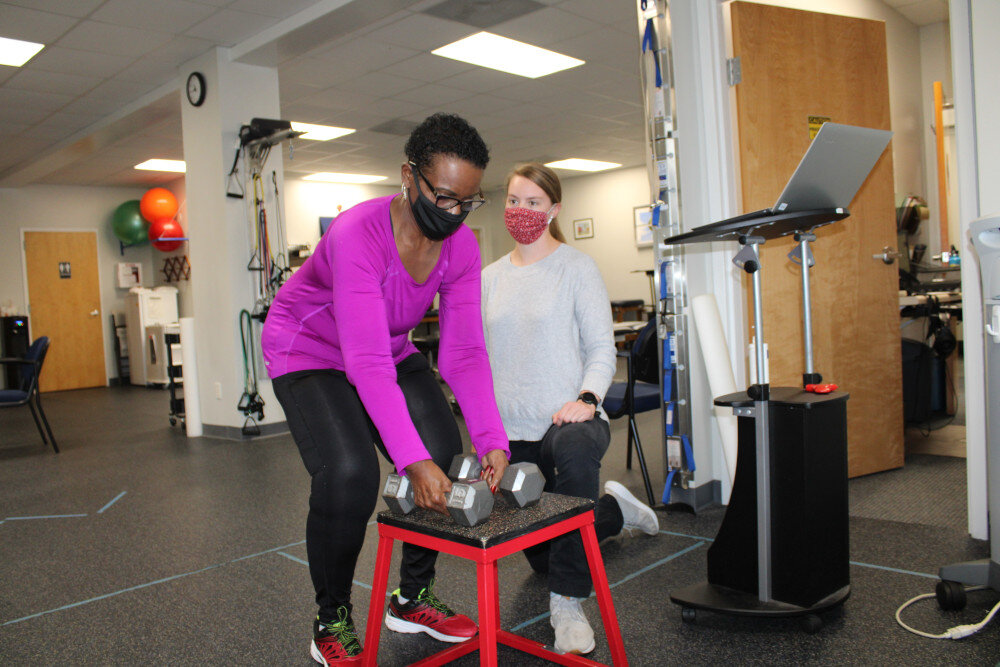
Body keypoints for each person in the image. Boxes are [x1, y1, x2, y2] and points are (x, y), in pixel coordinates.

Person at [262, 113, 510, 665]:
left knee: (444, 451)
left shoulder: (461, 248)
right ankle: (331, 620)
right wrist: (409, 460)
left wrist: (492, 437)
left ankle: (411, 596)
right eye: (443, 197)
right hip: (307, 349)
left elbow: (464, 352)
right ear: (408, 175)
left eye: (467, 203)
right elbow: (364, 362)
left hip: (388, 348)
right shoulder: (356, 233)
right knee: (350, 472)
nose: (453, 214)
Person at [481, 162, 660, 655]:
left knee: (575, 455)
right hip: (513, 431)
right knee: (545, 551)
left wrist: (587, 399)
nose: (520, 211)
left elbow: (602, 349)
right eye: (513, 201)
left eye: (533, 202)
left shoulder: (576, 268)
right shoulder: (489, 278)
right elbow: (479, 359)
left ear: (554, 209)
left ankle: (568, 605)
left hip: (569, 420)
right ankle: (616, 511)